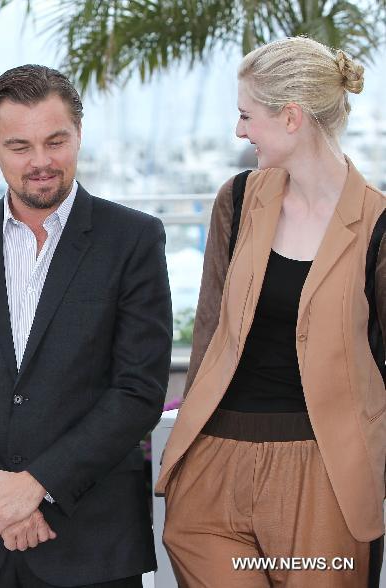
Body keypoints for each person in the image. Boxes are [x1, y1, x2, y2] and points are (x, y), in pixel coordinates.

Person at [0, 64, 173, 587]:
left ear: (78, 134)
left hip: (90, 544)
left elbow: (138, 389)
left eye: (56, 141)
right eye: (20, 146)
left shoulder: (133, 238)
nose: (41, 162)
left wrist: (39, 484)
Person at [156, 37, 385, 587]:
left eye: (245, 115)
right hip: (214, 468)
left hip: (323, 476)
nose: (239, 131)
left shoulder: (379, 225)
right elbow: (209, 330)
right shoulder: (235, 200)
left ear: (290, 117)